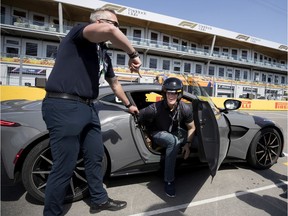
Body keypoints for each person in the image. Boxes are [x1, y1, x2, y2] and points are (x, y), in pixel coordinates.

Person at [41, 8, 142, 215]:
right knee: (64, 166)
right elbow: (109, 31)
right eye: (113, 23)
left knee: (95, 156)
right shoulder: (79, 33)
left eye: (118, 25)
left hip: (89, 107)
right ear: (97, 21)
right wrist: (133, 54)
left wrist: (128, 105)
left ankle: (99, 200)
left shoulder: (103, 54)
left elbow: (114, 84)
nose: (116, 28)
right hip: (64, 105)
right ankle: (52, 213)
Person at [138, 77, 196, 197]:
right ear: (164, 93)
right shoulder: (153, 108)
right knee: (173, 141)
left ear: (179, 95)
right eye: (169, 92)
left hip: (174, 132)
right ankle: (169, 180)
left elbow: (192, 128)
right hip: (157, 133)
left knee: (197, 140)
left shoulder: (185, 108)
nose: (171, 95)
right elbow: (138, 118)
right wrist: (146, 136)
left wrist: (188, 144)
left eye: (175, 93)